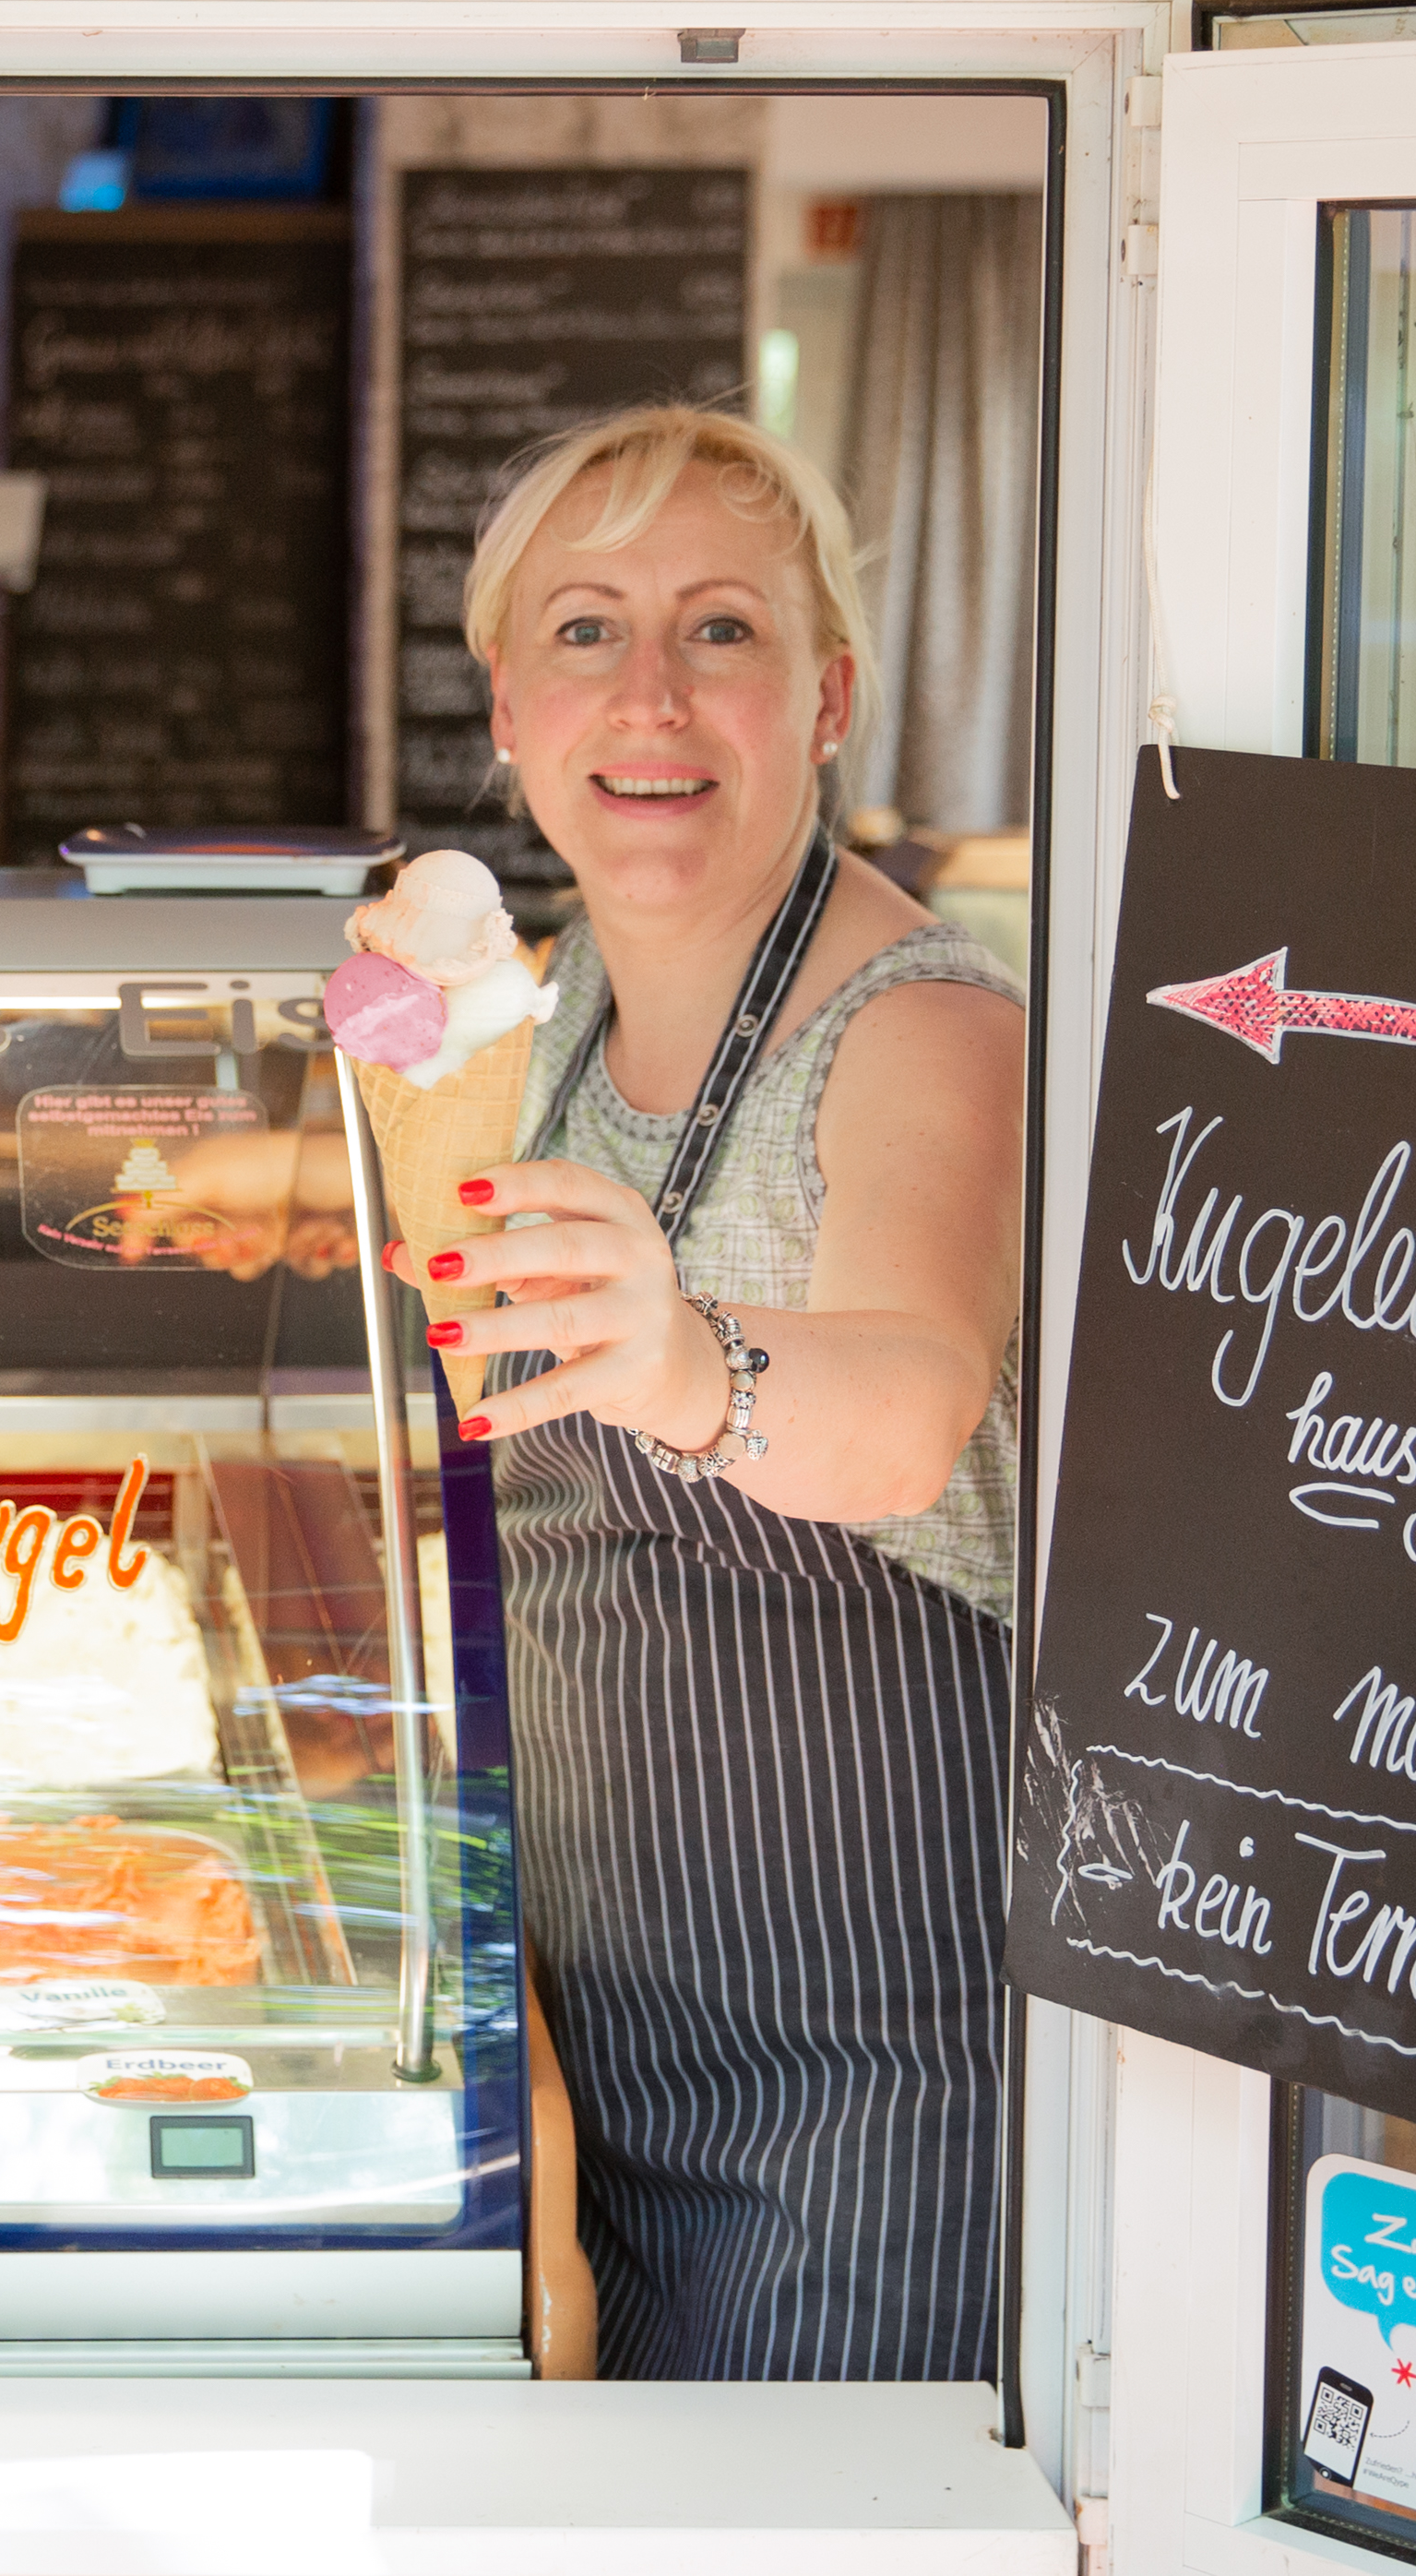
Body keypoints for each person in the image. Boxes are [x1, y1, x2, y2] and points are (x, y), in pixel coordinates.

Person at [382, 405, 1026, 2383]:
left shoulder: (924, 1026)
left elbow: (907, 1399)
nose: (646, 693)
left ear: (824, 695)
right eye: (584, 630)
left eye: (718, 632)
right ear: (505, 703)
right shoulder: (547, 1003)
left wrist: (687, 1362)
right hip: (592, 2032)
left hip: (872, 2081)